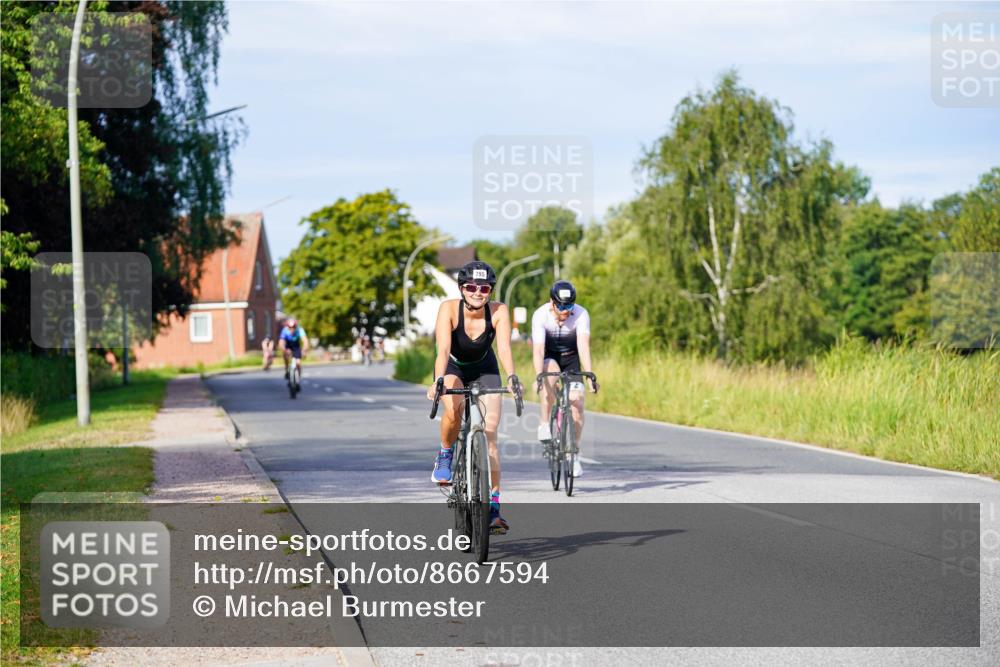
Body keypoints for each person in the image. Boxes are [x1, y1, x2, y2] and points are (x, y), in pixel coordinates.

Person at [426, 261, 520, 534]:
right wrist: (438, 381)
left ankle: (493, 508)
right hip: (453, 367)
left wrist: (512, 376)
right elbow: (443, 349)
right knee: (453, 412)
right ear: (462, 289)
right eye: (471, 287)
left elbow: (503, 348)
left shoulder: (499, 310)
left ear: (490, 290)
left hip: (485, 369)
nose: (477, 292)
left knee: (489, 434)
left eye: (484, 288)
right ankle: (445, 455)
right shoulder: (448, 309)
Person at [531, 280, 597, 477]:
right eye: (560, 306)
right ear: (552, 302)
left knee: (577, 403)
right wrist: (538, 376)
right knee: (547, 377)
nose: (565, 310)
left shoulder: (581, 314)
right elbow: (538, 349)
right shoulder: (540, 315)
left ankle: (573, 453)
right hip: (549, 356)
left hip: (571, 359)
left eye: (569, 306)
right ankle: (544, 423)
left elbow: (584, 347)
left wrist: (590, 375)